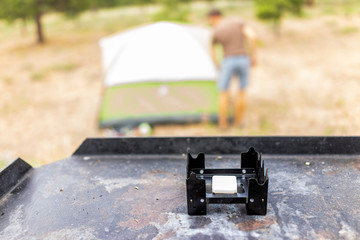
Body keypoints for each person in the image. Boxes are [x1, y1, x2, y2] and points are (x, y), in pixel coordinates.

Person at [208, 9, 257, 129]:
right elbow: (252, 36)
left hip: (228, 60)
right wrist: (253, 56)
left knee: (223, 92)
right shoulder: (237, 22)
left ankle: (223, 123)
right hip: (243, 59)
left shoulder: (216, 30)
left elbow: (212, 50)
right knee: (242, 91)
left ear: (213, 17)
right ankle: (238, 121)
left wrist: (216, 64)